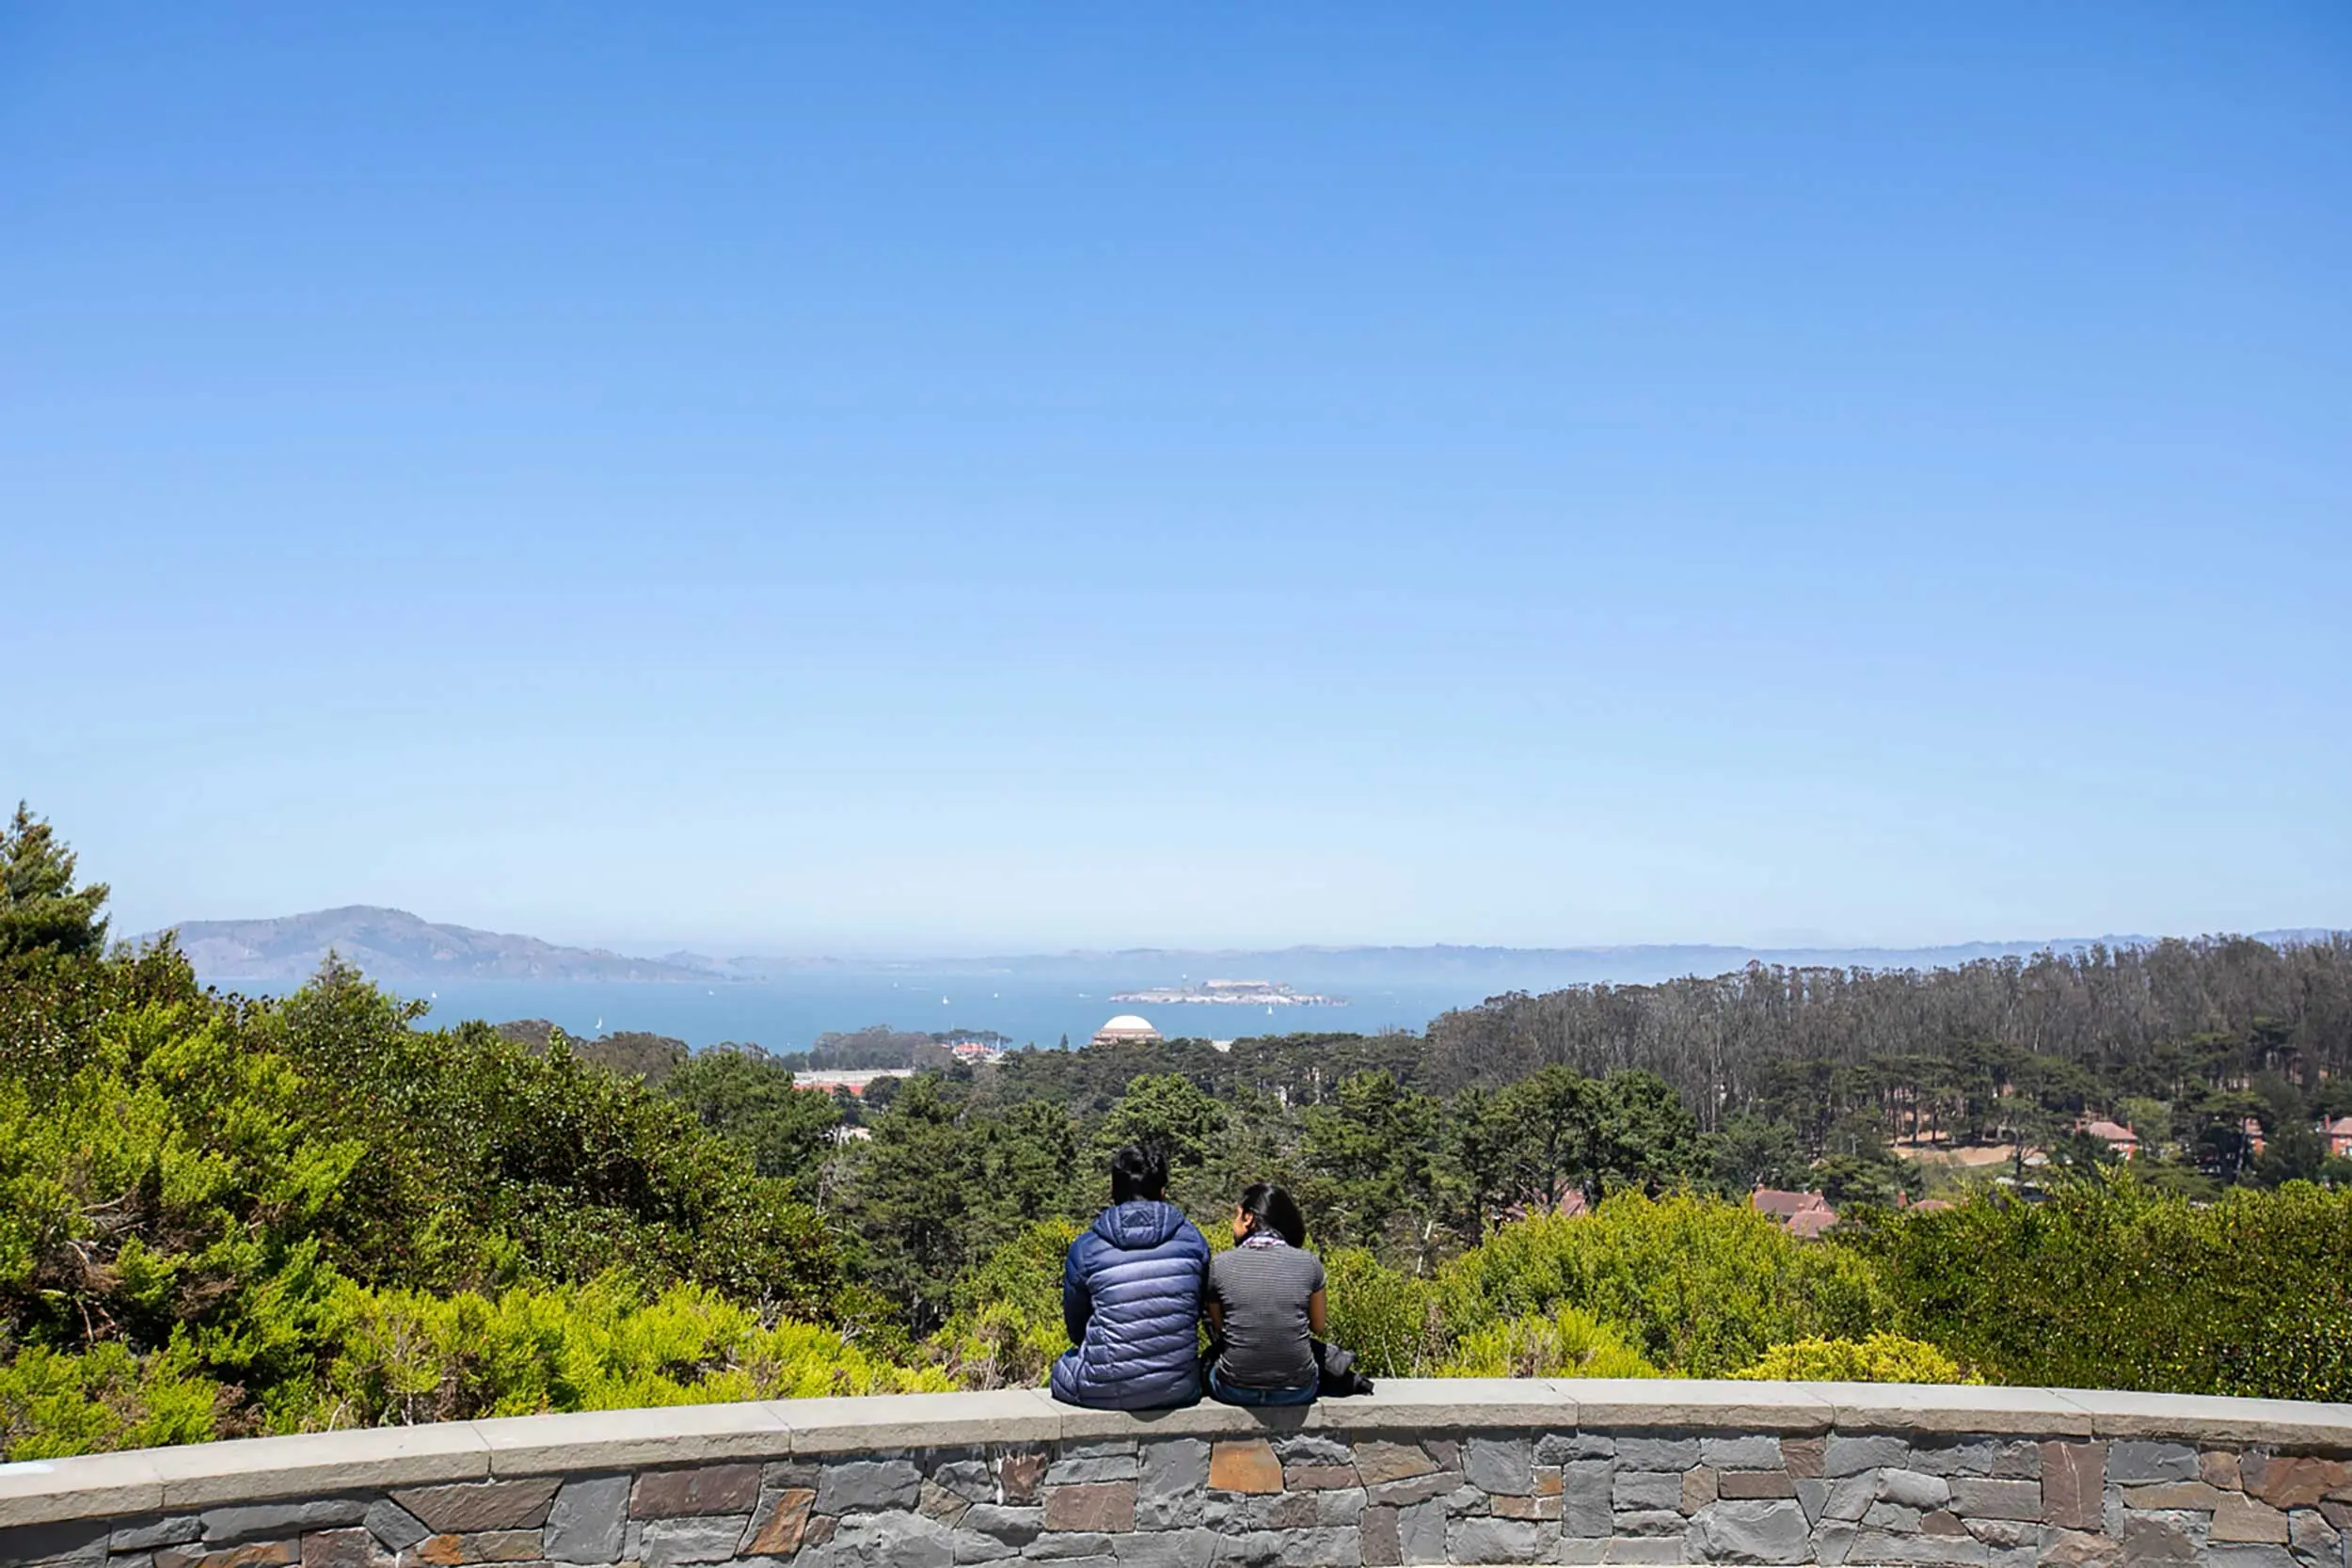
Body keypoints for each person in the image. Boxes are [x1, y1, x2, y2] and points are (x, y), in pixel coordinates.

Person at [1049, 1144, 1212, 1409]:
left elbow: (1076, 1330)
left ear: (1113, 1191)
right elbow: (1198, 1310)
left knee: (1063, 1366)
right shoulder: (1193, 1240)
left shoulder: (1087, 1247)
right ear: (1163, 1192)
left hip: (1106, 1389)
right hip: (1180, 1387)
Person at [1202, 1182, 1326, 1406]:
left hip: (1234, 1389)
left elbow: (1219, 1327)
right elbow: (1318, 1325)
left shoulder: (1220, 1264)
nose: (1233, 1223)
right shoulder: (1309, 1262)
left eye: (1237, 1215)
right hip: (1298, 1390)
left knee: (1207, 1364)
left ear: (1249, 1218)